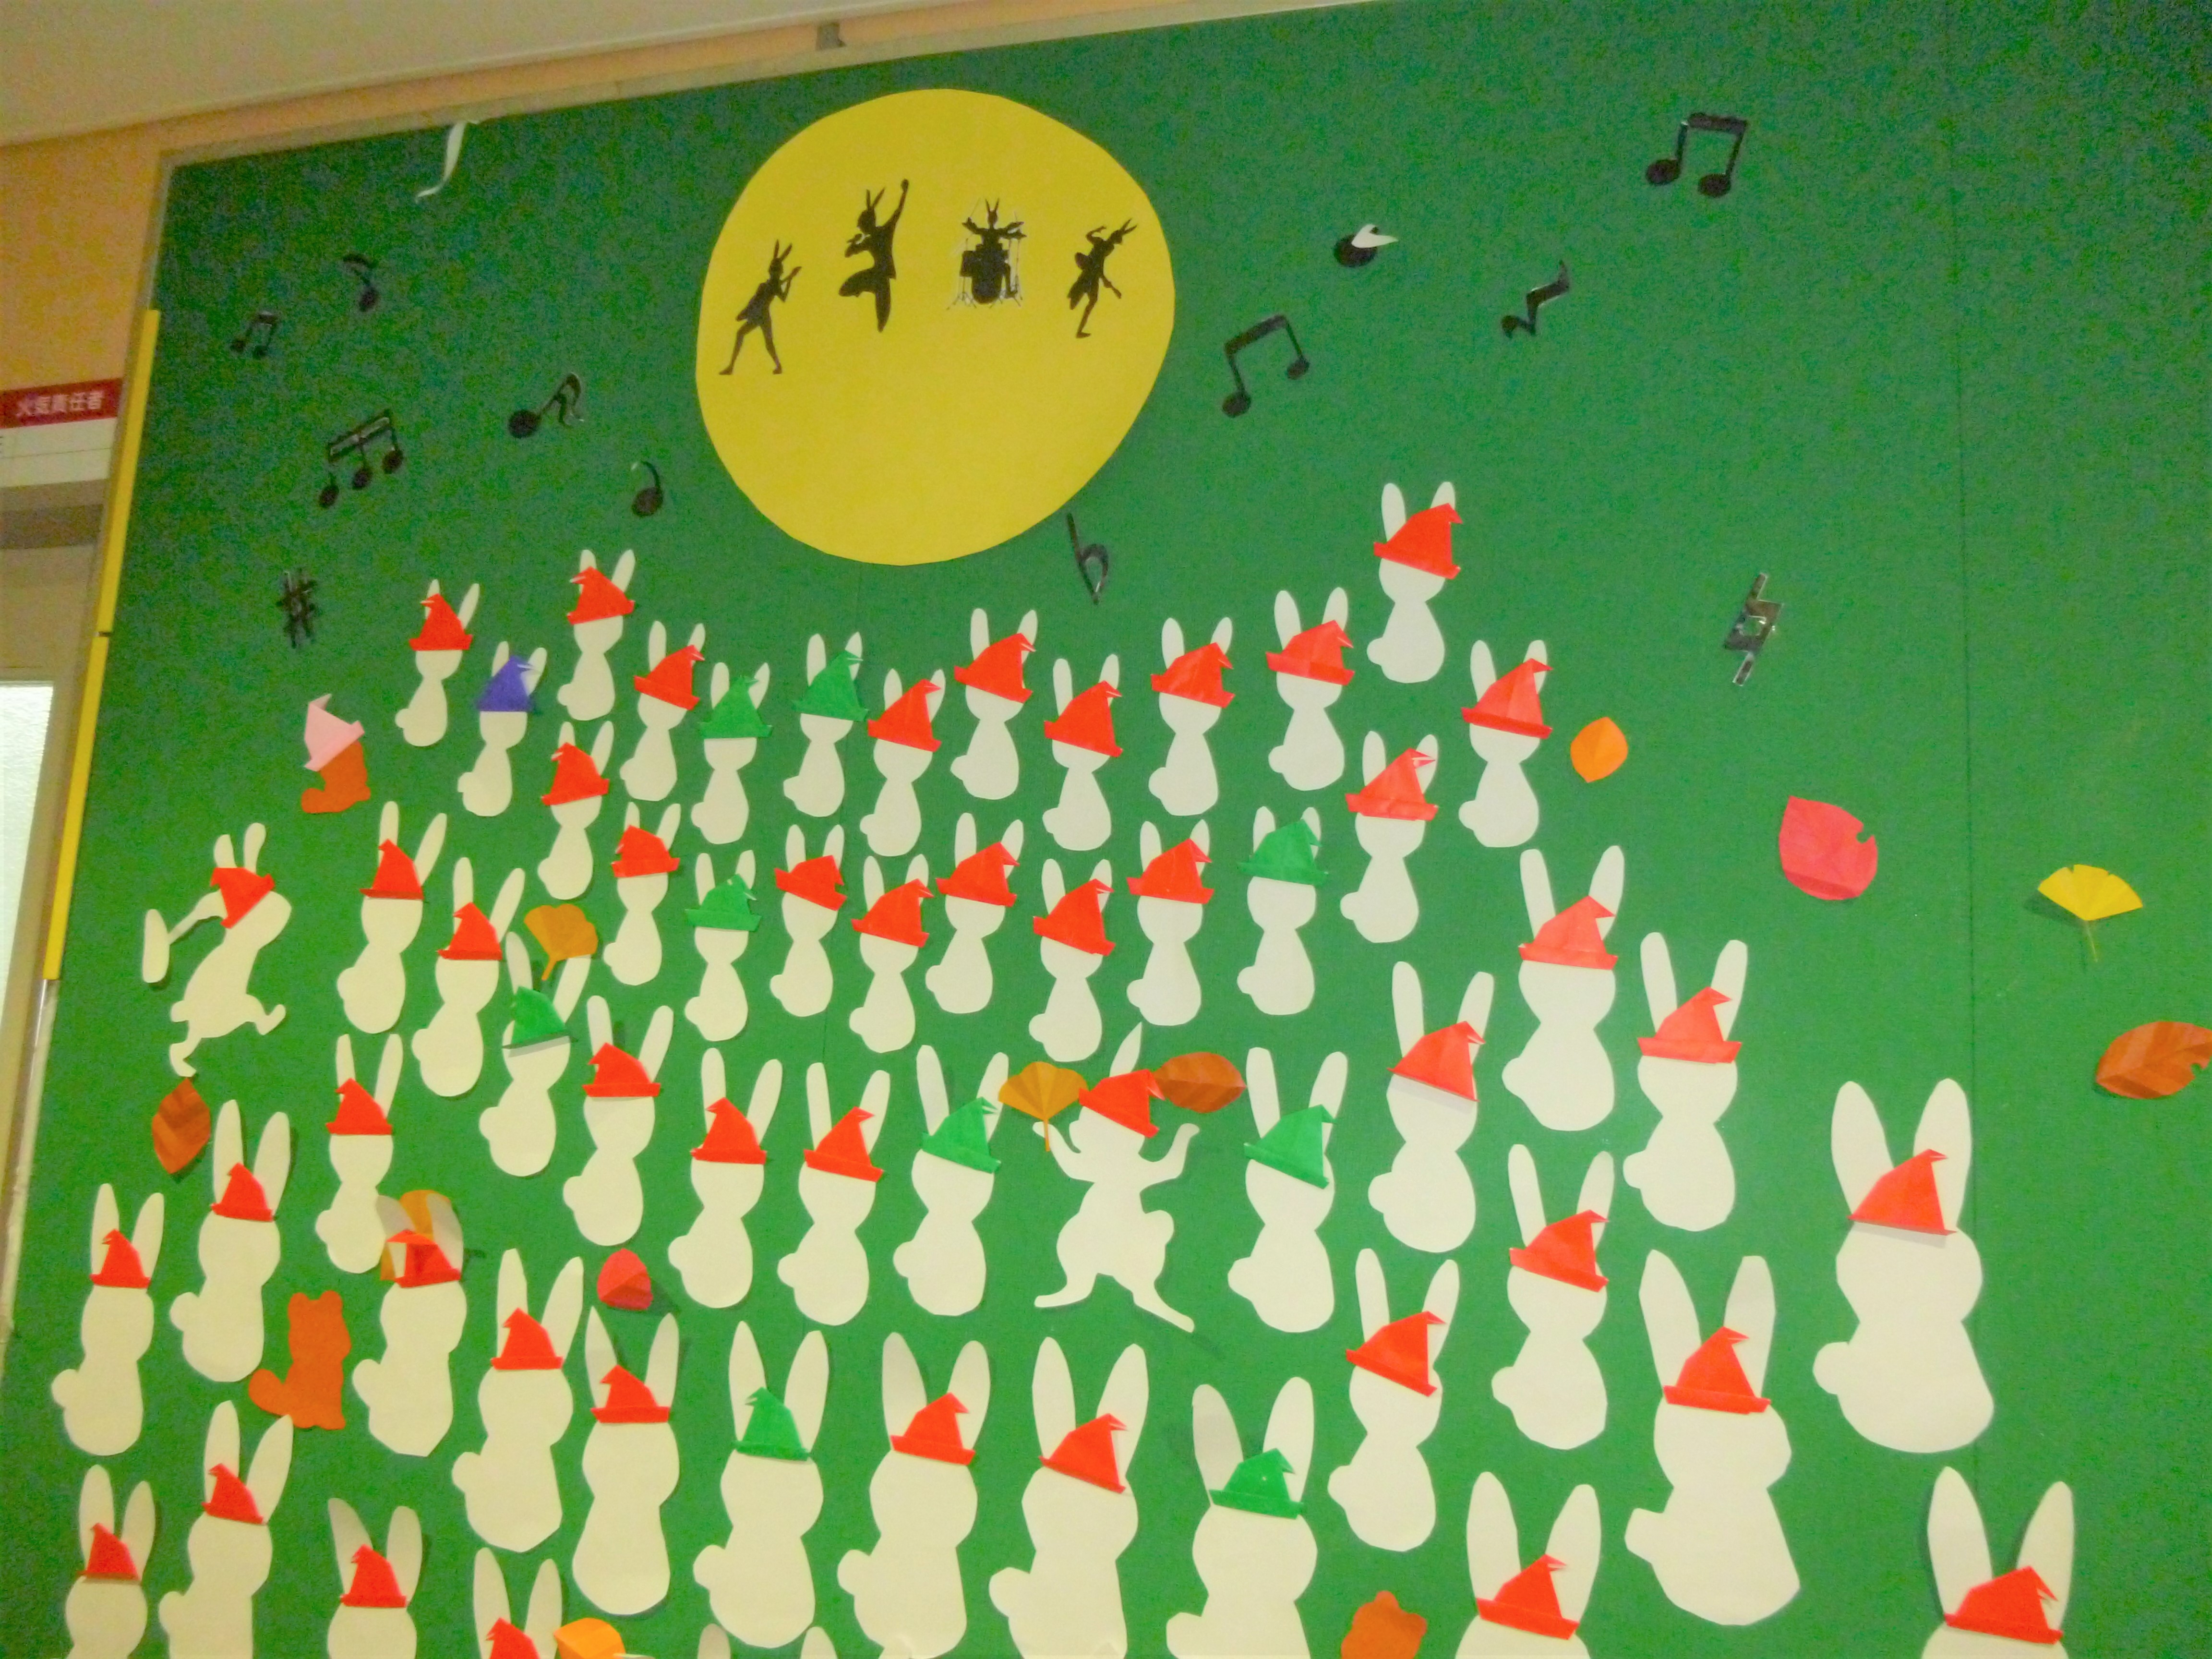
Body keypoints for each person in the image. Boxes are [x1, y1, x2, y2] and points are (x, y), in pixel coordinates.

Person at [839, 180, 910, 332]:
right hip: (877, 274)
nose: (862, 230)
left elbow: (898, 212)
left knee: (883, 316)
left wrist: (905, 193)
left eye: (863, 227)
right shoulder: (875, 237)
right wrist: (855, 243)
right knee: (847, 290)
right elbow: (849, 253)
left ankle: (880, 327)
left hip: (880, 276)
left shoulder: (880, 235)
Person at [721, 241, 799, 374]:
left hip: (762, 316)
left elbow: (783, 297)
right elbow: (755, 300)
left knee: (767, 343)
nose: (773, 272)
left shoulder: (773, 285)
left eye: (775, 270)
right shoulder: (768, 284)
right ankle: (732, 367)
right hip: (758, 314)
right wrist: (745, 312)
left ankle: (778, 366)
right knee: (744, 335)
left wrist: (790, 279)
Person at [1068, 220, 1136, 338]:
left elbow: (1099, 266)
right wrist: (1112, 287)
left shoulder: (1104, 246)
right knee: (1078, 303)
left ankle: (1080, 331)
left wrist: (1113, 288)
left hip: (1093, 275)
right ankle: (1079, 330)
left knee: (1091, 302)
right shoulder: (1103, 245)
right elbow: (1098, 263)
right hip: (1090, 275)